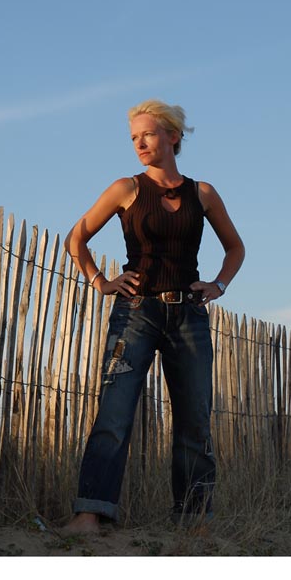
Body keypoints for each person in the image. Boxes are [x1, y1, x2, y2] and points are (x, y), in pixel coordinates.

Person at [61, 99, 244, 535]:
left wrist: (218, 285)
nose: (140, 144)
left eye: (148, 134)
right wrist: (100, 282)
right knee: (115, 411)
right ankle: (91, 514)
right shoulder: (126, 188)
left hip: (189, 317)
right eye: (133, 138)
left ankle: (194, 519)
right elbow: (77, 238)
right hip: (136, 313)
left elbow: (235, 248)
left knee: (194, 417)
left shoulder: (203, 193)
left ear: (173, 137)